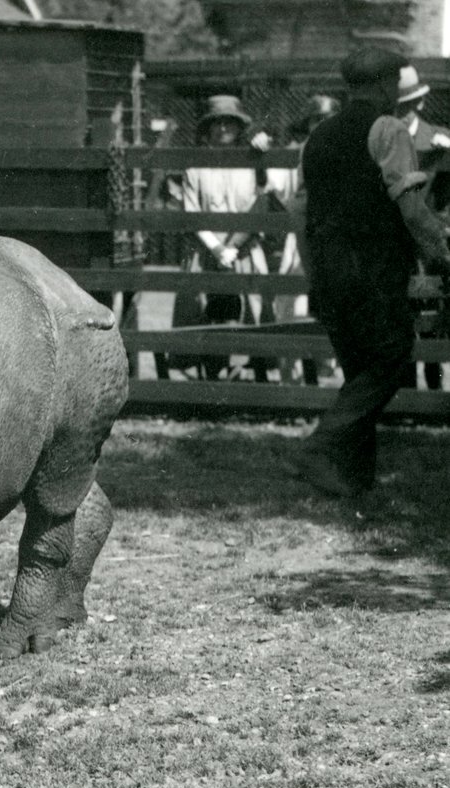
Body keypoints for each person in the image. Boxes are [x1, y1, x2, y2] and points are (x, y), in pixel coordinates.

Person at [292, 48, 450, 497]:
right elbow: (412, 207)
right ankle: (319, 448)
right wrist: (439, 252)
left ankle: (354, 480)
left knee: (358, 370)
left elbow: (299, 212)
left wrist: (313, 274)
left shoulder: (317, 136)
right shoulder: (389, 129)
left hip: (327, 270)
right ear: (385, 86)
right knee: (390, 358)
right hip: (374, 271)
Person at [168, 94, 271, 381]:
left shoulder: (251, 159)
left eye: (230, 122)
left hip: (243, 248)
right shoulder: (195, 166)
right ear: (207, 128)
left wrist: (234, 247)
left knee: (255, 308)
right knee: (200, 309)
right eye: (216, 123)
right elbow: (192, 211)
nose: (223, 128)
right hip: (206, 250)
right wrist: (216, 248)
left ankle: (257, 377)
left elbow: (261, 202)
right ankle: (211, 378)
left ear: (239, 127)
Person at [267, 94, 340, 385]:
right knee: (292, 301)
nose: (321, 125)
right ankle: (291, 376)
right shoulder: (295, 153)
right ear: (307, 124)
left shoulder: (348, 150)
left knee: (335, 302)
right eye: (315, 119)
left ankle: (328, 372)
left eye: (327, 119)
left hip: (336, 236)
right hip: (301, 235)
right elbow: (277, 189)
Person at [395, 64, 450, 390]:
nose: (399, 114)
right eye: (393, 107)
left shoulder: (439, 140)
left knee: (430, 317)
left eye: (405, 106)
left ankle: (433, 388)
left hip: (428, 245)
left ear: (418, 104)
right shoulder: (380, 140)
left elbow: (446, 198)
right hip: (393, 245)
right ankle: (405, 394)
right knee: (399, 319)